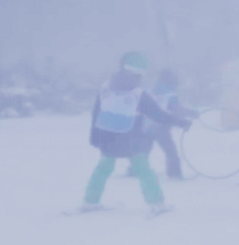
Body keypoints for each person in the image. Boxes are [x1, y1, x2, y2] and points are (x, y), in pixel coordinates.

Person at [79, 52, 190, 213]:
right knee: (144, 170)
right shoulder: (139, 94)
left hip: (108, 137)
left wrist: (94, 135)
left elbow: (96, 113)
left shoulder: (105, 88)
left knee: (102, 169)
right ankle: (157, 203)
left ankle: (90, 201)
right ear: (140, 73)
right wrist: (180, 122)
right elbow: (158, 115)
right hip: (132, 139)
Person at [134, 68, 194, 181]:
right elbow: (176, 111)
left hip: (147, 125)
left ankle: (135, 169)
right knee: (170, 151)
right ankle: (174, 174)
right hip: (161, 127)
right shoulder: (170, 94)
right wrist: (191, 114)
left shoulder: (153, 90)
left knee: (144, 150)